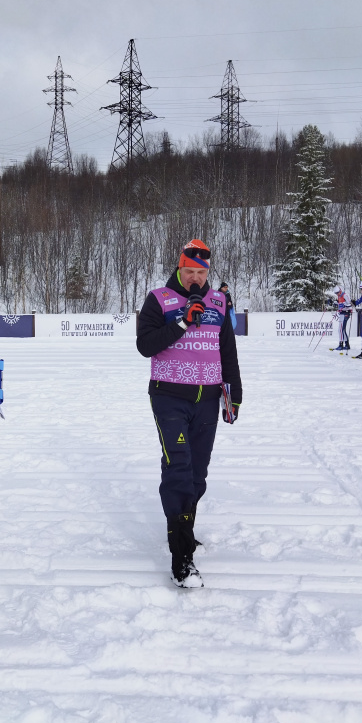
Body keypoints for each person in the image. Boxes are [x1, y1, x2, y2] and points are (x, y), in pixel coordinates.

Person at [136, 239, 243, 588]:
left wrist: (235, 393)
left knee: (197, 475)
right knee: (178, 469)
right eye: (189, 271)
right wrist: (182, 322)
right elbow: (145, 346)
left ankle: (184, 526)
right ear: (179, 269)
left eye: (201, 272)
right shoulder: (159, 300)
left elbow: (227, 350)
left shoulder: (218, 301)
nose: (195, 278)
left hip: (209, 398)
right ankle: (182, 559)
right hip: (169, 396)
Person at [331, 284, 352, 351]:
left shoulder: (345, 295)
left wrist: (343, 305)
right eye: (336, 293)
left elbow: (349, 304)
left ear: (340, 290)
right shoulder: (339, 297)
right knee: (342, 330)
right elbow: (340, 304)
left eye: (338, 292)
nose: (337, 294)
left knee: (340, 329)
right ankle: (347, 344)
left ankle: (341, 344)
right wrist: (335, 303)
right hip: (342, 313)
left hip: (346, 313)